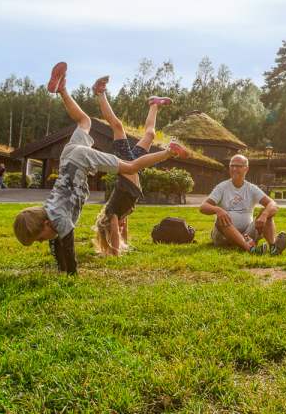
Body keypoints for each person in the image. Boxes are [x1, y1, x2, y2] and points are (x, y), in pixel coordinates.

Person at [12, 65, 189, 274]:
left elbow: (67, 249)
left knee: (129, 159)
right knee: (85, 121)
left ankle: (169, 151)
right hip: (67, 159)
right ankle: (62, 90)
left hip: (79, 160)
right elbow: (57, 243)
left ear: (45, 225)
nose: (43, 242)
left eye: (40, 238)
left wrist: (70, 275)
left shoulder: (58, 220)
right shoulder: (49, 212)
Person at [90, 74, 172, 256]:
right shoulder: (122, 215)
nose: (121, 227)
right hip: (130, 171)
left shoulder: (112, 212)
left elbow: (116, 241)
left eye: (117, 229)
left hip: (126, 169)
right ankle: (154, 105)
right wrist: (122, 239)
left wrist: (115, 251)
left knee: (118, 127)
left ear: (110, 229)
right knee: (150, 136)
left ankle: (99, 92)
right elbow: (123, 235)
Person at [200, 154, 286, 254]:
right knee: (221, 219)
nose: (234, 168)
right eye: (232, 166)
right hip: (223, 236)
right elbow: (203, 207)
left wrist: (264, 215)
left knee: (268, 212)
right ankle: (250, 249)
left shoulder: (251, 188)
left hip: (247, 233)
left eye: (238, 166)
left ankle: (273, 247)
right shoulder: (222, 187)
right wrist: (218, 210)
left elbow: (273, 204)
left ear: (246, 169)